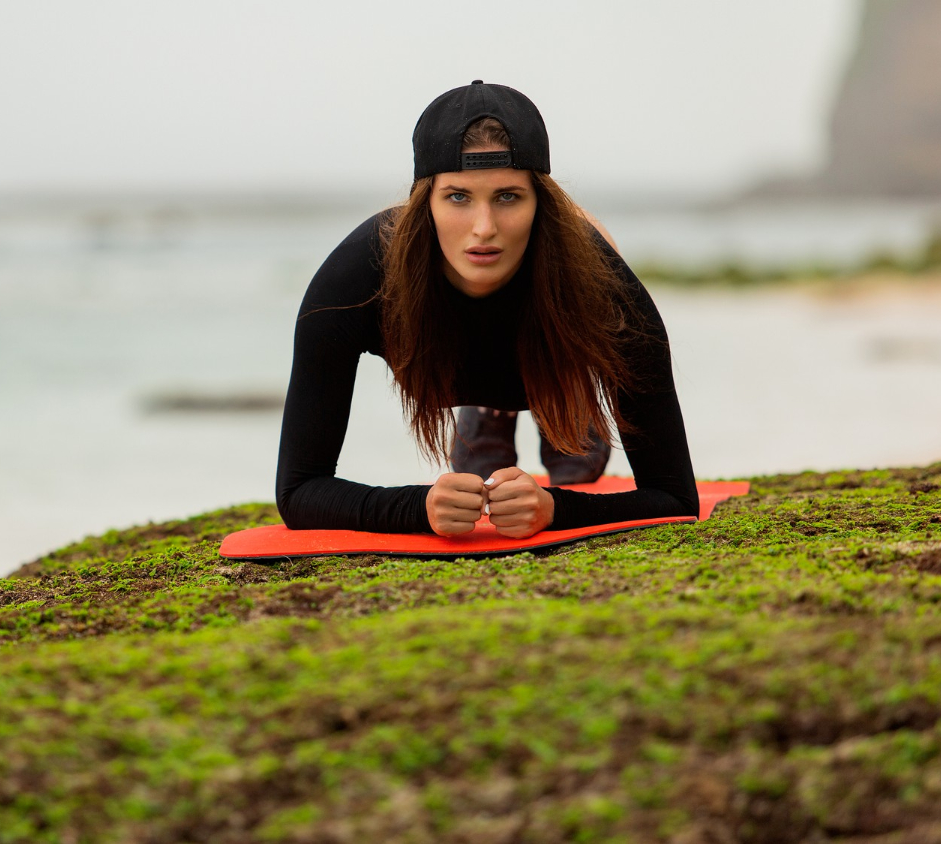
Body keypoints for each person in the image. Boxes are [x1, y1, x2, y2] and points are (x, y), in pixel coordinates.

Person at [274, 80, 699, 538]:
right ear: (425, 202)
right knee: (485, 451)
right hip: (454, 350)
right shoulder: (357, 278)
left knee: (575, 456)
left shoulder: (605, 287)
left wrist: (554, 507)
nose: (484, 229)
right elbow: (299, 491)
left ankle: (566, 399)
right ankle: (490, 412)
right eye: (458, 196)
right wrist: (418, 507)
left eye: (508, 196)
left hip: (557, 338)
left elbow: (674, 497)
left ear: (541, 202)